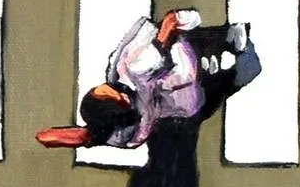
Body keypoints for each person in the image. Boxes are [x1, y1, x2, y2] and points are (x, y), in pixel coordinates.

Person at [37, 10, 251, 152]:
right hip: (187, 77)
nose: (108, 85)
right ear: (122, 101)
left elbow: (79, 137)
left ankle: (226, 52)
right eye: (110, 91)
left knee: (213, 80)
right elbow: (170, 23)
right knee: (208, 72)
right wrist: (191, 18)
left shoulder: (118, 132)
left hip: (187, 94)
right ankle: (226, 44)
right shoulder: (135, 67)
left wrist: (45, 137)